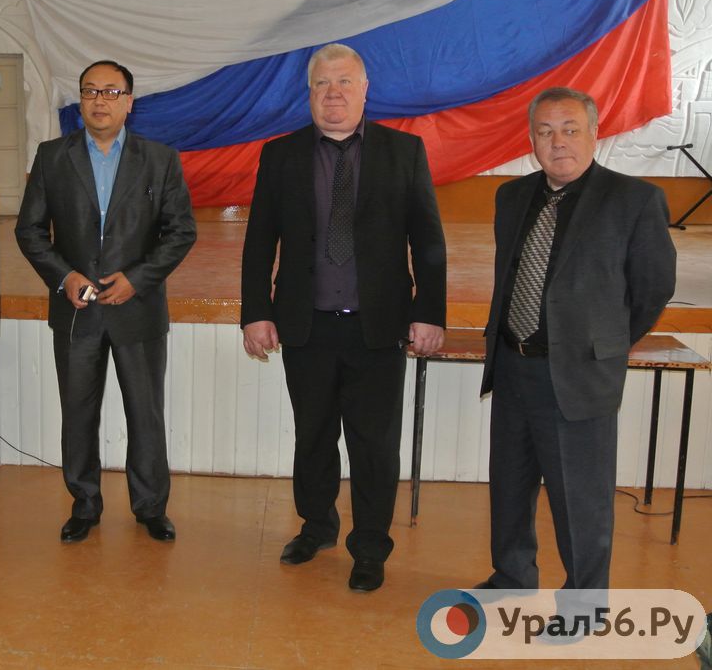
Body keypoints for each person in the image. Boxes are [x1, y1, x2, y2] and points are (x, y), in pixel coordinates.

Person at [240, 43, 446, 592]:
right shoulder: (280, 155)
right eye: (322, 84)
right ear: (309, 93)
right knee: (313, 436)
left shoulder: (404, 152)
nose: (333, 93)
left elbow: (428, 240)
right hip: (305, 324)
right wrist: (255, 312)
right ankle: (316, 526)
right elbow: (259, 241)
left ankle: (371, 547)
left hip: (378, 327)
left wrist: (429, 312)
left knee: (374, 444)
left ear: (364, 90)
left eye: (344, 82)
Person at [476, 87, 676, 605]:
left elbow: (653, 288)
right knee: (510, 485)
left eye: (569, 129)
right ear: (532, 139)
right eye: (545, 131)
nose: (557, 142)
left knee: (579, 499)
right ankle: (512, 578)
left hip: (578, 376)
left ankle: (586, 603)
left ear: (594, 133)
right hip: (512, 365)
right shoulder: (511, 197)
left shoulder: (634, 200)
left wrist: (603, 344)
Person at [15, 60, 195, 544]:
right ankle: (84, 504)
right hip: (76, 311)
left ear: (129, 102)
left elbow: (181, 232)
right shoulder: (53, 156)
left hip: (138, 309)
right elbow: (29, 230)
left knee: (145, 413)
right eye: (90, 91)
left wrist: (138, 279)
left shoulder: (159, 159)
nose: (100, 100)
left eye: (111, 92)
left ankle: (151, 507)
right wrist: (64, 276)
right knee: (77, 414)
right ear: (80, 100)